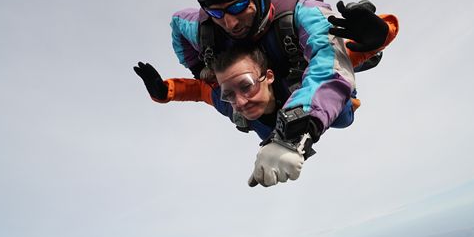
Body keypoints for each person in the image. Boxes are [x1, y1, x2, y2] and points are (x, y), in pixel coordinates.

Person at [135, 0, 398, 180]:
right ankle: (359, 53)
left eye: (239, 6)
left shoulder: (301, 14)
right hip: (271, 77)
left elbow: (329, 65)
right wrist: (193, 73)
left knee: (341, 110)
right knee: (261, 108)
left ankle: (358, 54)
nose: (230, 22)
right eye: (216, 12)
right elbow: (181, 33)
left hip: (299, 64)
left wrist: (290, 134)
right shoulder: (229, 88)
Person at [135, 43, 358, 187]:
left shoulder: (297, 82)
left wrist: (370, 40)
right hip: (276, 131)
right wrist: (166, 91)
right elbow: (200, 91)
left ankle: (346, 99)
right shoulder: (230, 106)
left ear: (268, 76)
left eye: (247, 86)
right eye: (229, 94)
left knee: (342, 117)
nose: (240, 102)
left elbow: (335, 63)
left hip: (325, 104)